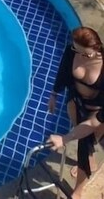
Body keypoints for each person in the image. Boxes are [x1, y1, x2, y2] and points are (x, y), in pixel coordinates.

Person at [47, 27, 104, 195]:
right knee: (84, 141)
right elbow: (63, 71)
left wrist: (64, 138)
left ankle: (77, 193)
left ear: (97, 48)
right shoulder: (72, 51)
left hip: (98, 110)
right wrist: (54, 94)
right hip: (77, 101)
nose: (81, 56)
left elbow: (94, 121)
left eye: (86, 54)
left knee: (85, 144)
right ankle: (90, 162)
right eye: (77, 51)